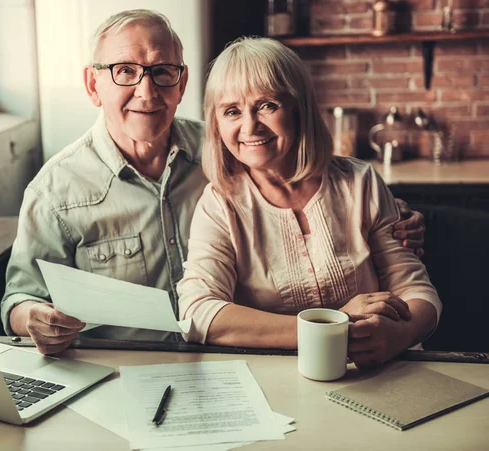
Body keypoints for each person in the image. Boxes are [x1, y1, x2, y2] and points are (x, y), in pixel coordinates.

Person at [0, 10, 426, 356]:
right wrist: (33, 316)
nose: (147, 91)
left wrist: (389, 215)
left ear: (181, 82)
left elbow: (308, 182)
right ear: (94, 85)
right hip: (122, 363)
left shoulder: (231, 146)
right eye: (125, 71)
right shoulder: (54, 190)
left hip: (227, 361)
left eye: (162, 71)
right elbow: (19, 299)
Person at [177, 37, 441, 367]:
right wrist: (330, 326)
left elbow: (419, 293)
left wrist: (399, 335)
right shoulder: (219, 205)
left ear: (299, 108)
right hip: (278, 379)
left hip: (380, 370)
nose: (250, 126)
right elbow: (197, 313)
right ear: (216, 123)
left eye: (267, 105)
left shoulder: (360, 182)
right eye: (232, 111)